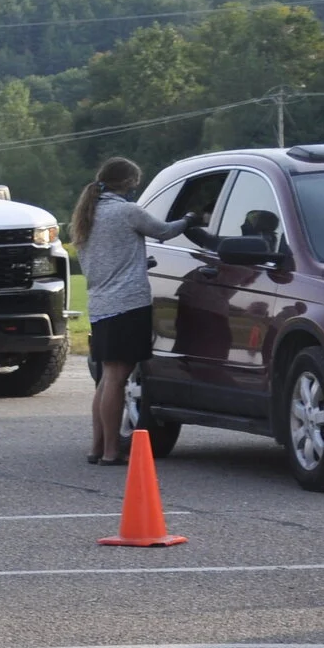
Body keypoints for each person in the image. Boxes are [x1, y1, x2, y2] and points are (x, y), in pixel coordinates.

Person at [70, 156, 204, 466]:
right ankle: (111, 452)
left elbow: (108, 259)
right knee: (118, 378)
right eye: (135, 184)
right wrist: (190, 219)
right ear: (128, 184)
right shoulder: (127, 211)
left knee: (106, 377)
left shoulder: (87, 215)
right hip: (128, 304)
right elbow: (164, 231)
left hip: (102, 305)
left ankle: (97, 446)